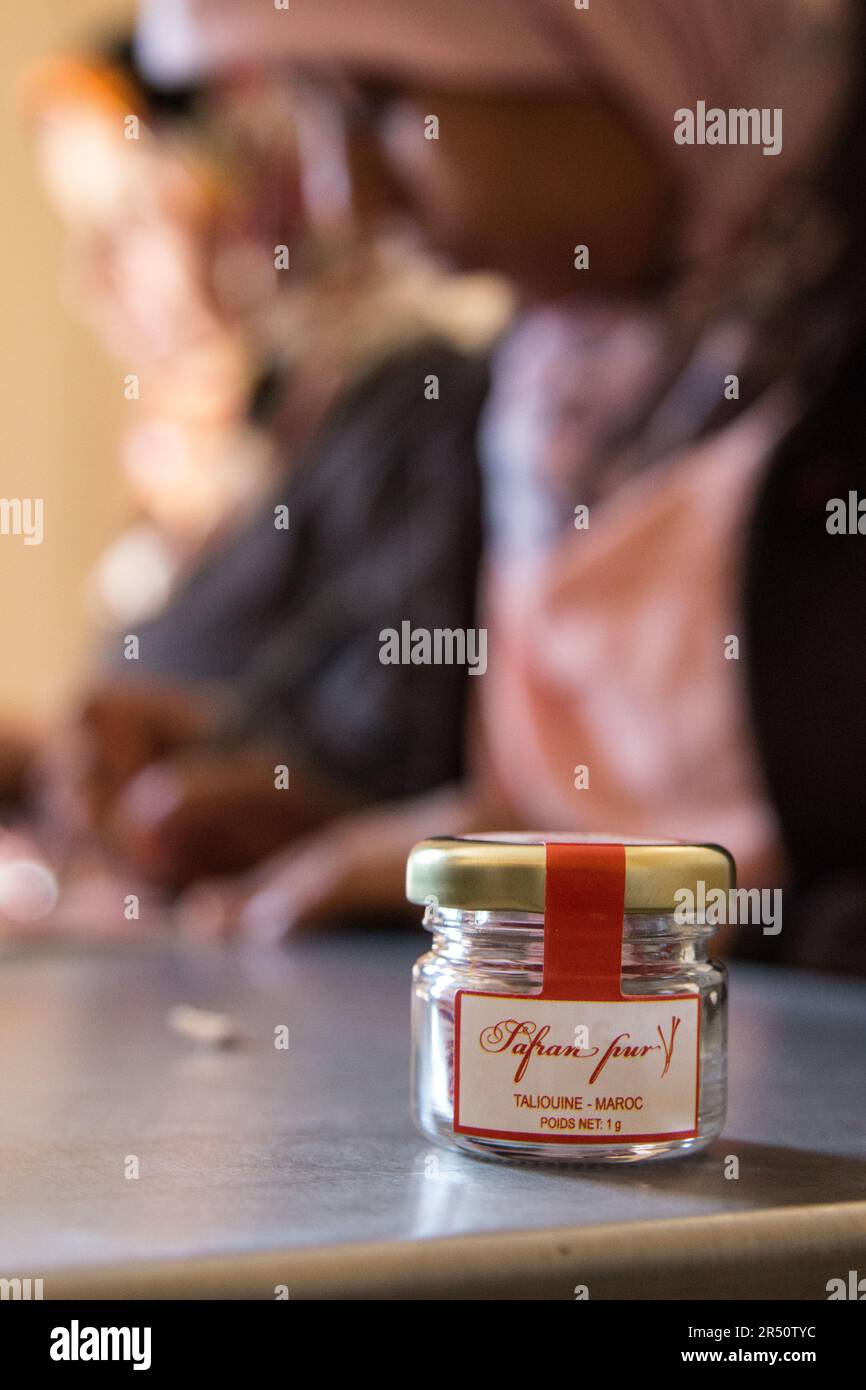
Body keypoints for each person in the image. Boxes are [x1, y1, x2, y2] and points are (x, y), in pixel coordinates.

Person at [140, 0, 865, 971]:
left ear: (625, 37)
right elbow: (576, 802)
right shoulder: (543, 399)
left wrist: (619, 909)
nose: (344, 199)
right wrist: (371, 830)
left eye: (386, 103)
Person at [12, 34, 512, 888]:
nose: (90, 284)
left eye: (127, 221)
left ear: (265, 187)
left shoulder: (418, 413)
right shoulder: (216, 472)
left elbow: (395, 767)